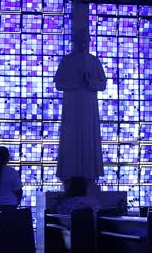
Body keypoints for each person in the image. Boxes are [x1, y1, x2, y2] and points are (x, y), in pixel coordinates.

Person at [54, 29, 107, 194]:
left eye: (86, 40)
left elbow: (102, 84)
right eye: (80, 40)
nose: (83, 44)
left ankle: (90, 176)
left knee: (88, 136)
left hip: (89, 106)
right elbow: (59, 84)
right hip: (72, 106)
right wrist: (76, 81)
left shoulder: (94, 61)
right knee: (71, 137)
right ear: (74, 42)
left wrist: (89, 81)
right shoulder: (67, 60)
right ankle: (69, 176)